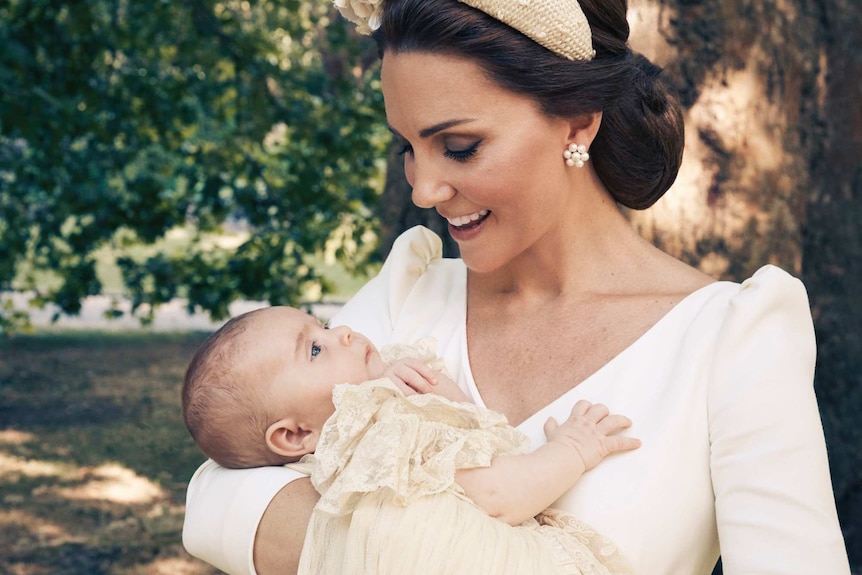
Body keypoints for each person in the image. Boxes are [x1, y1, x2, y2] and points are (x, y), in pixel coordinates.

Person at [182, 0, 851, 573]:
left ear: (578, 120)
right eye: (407, 147)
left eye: (460, 146)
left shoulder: (731, 340)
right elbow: (216, 499)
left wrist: (363, 543)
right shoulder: (411, 294)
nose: (423, 188)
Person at [181, 304, 640, 574]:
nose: (341, 331)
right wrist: (573, 450)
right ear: (296, 434)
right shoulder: (383, 439)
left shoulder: (358, 448)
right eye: (316, 349)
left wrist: (408, 389)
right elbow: (498, 494)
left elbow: (462, 435)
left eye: (320, 324)